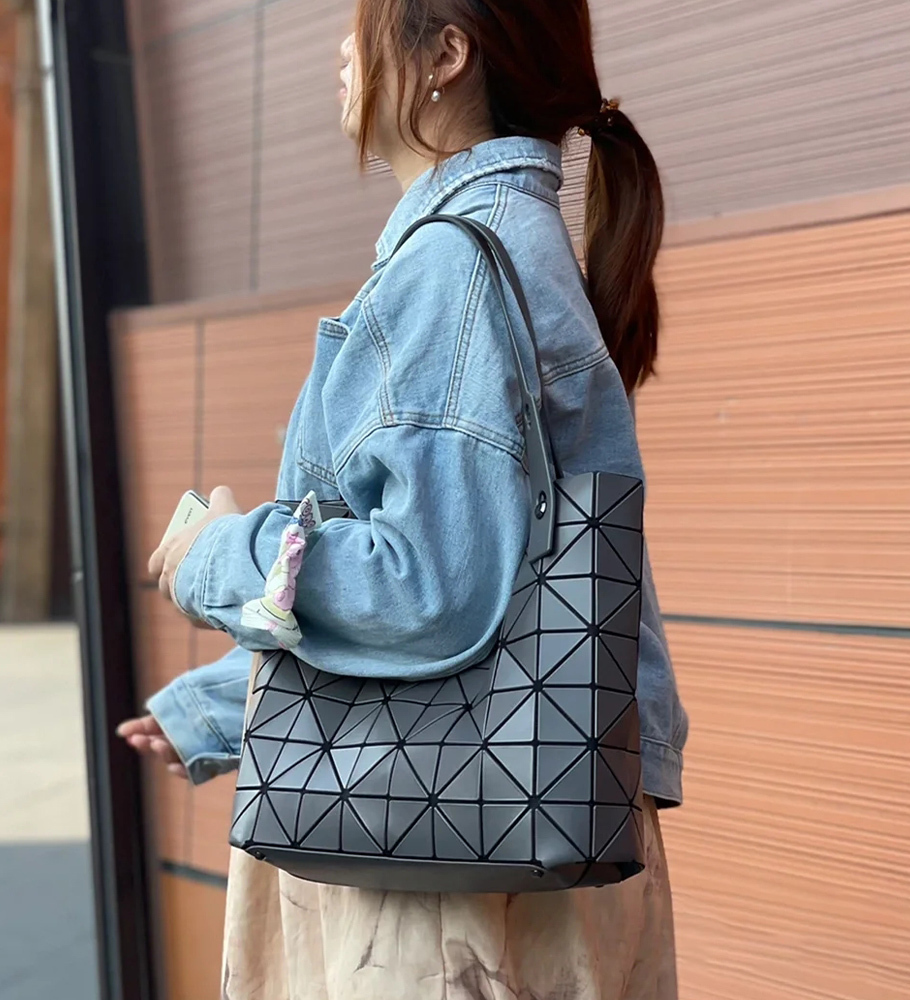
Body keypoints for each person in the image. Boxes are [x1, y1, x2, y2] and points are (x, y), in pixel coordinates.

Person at [118, 0, 687, 996]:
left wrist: (218, 553)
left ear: (447, 55)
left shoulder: (452, 265)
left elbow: (428, 586)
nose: (343, 49)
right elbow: (491, 592)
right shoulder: (497, 245)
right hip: (503, 826)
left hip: (441, 886)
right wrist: (220, 705)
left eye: (364, 21)